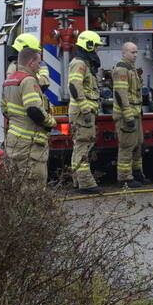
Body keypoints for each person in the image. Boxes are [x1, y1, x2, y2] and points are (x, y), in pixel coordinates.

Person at [2, 46, 55, 185]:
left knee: (17, 183)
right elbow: (33, 110)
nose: (39, 67)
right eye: (39, 63)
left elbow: (4, 109)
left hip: (14, 140)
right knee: (34, 185)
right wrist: (51, 122)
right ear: (31, 63)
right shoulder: (29, 81)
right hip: (30, 143)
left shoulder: (9, 81)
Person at [68, 30, 104, 194]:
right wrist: (85, 109)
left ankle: (79, 181)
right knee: (83, 147)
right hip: (83, 113)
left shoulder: (84, 63)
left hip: (84, 111)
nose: (98, 50)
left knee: (81, 146)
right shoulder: (80, 63)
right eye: (96, 46)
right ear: (89, 45)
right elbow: (75, 86)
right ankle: (86, 183)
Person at [111, 41, 149, 188]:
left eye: (136, 52)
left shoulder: (131, 69)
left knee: (138, 144)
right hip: (126, 114)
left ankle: (137, 172)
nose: (135, 55)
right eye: (132, 52)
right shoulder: (121, 69)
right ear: (124, 53)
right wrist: (128, 115)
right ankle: (124, 178)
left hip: (136, 113)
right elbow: (121, 94)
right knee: (127, 145)